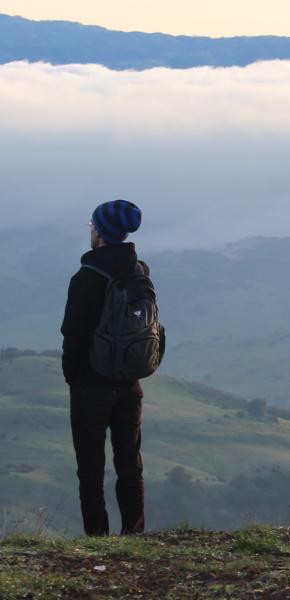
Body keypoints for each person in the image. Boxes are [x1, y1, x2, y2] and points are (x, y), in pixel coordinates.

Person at [61, 199, 157, 536]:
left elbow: (72, 332)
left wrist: (73, 376)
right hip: (130, 383)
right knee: (130, 463)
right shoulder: (139, 272)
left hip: (91, 384)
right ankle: (134, 533)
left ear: (100, 232)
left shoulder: (87, 277)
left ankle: (98, 538)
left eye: (92, 225)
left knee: (90, 469)